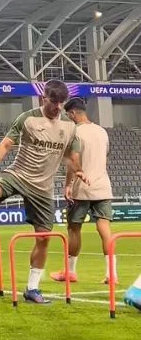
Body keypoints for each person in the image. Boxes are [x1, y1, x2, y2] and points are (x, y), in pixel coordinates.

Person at [0, 79, 89, 304]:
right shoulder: (27, 118)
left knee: (44, 237)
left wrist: (79, 171)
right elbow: (5, 145)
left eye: (61, 103)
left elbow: (72, 157)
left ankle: (32, 289)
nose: (57, 107)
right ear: (43, 98)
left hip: (43, 187)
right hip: (18, 175)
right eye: (53, 102)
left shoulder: (69, 126)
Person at [50, 98, 115, 285]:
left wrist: (68, 185)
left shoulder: (75, 132)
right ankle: (112, 274)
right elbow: (105, 159)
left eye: (68, 115)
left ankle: (70, 272)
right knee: (104, 228)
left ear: (72, 113)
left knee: (74, 228)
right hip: (103, 185)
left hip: (82, 188)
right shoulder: (102, 131)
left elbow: (73, 162)